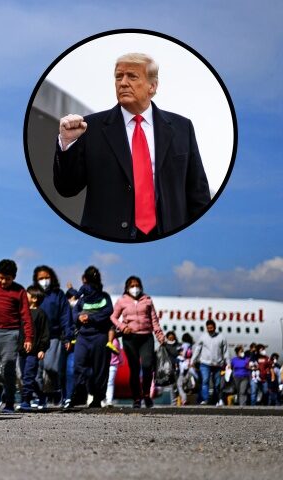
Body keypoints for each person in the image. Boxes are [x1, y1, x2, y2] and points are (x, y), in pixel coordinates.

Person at [53, 52, 211, 241]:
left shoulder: (182, 128)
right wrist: (67, 144)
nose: (123, 83)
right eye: (119, 77)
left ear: (152, 86)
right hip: (108, 238)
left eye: (132, 76)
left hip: (168, 235)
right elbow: (67, 188)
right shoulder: (90, 127)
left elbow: (198, 193)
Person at [0, 259, 33, 413]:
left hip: (11, 333)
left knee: (9, 367)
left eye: (8, 279)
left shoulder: (20, 291)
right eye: (1, 277)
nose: (3, 281)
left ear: (14, 278)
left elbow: (26, 316)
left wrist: (29, 338)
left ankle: (10, 403)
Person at [110, 275, 165, 408]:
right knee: (134, 370)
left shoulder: (147, 300)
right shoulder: (122, 301)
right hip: (130, 338)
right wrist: (123, 327)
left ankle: (146, 394)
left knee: (147, 366)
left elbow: (154, 320)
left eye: (137, 285)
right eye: (132, 286)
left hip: (146, 337)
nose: (135, 288)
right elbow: (113, 317)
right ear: (127, 288)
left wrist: (160, 336)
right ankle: (136, 398)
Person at [67, 266, 113, 408]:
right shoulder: (82, 300)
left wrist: (91, 318)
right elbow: (74, 313)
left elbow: (107, 311)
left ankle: (97, 398)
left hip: (99, 336)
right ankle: (80, 393)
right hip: (83, 337)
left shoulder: (104, 297)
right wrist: (79, 318)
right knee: (79, 365)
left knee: (100, 369)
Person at [32, 265, 71, 407]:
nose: (44, 281)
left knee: (51, 367)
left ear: (52, 278)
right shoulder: (33, 293)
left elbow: (65, 316)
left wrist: (67, 336)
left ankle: (56, 391)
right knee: (36, 369)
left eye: (46, 277)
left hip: (54, 336)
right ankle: (40, 397)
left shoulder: (58, 294)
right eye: (41, 278)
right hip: (36, 337)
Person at [17, 284, 50, 412]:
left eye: (27, 294)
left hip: (34, 351)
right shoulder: (22, 312)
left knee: (28, 376)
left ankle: (25, 400)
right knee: (25, 376)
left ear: (35, 298)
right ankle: (41, 396)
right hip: (22, 351)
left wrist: (42, 349)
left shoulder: (41, 314)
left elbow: (45, 334)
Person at [191, 320, 230, 406]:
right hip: (205, 363)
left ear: (215, 327)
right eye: (208, 328)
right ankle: (205, 400)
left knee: (217, 384)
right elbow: (198, 349)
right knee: (205, 381)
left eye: (211, 328)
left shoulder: (221, 337)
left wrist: (228, 363)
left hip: (217, 364)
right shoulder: (203, 337)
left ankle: (216, 400)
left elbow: (225, 351)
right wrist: (193, 360)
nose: (210, 329)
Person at [176, 333, 194, 406]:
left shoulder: (184, 346)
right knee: (185, 383)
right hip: (190, 366)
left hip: (183, 367)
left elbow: (183, 355)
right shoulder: (191, 346)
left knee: (179, 385)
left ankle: (184, 399)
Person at [104, 337, 122, 407]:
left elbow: (118, 352)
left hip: (113, 364)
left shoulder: (115, 340)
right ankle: (102, 399)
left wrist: (120, 360)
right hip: (103, 363)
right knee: (103, 381)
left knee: (110, 382)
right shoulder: (103, 338)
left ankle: (109, 401)